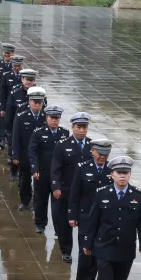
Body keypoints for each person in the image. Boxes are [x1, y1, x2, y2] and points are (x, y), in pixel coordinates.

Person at [81, 155, 141, 280]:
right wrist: (87, 243)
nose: (123, 176)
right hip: (104, 248)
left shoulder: (139, 196)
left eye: (126, 173)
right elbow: (92, 220)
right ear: (111, 174)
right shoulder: (102, 193)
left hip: (125, 250)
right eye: (119, 173)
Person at [70, 139, 112, 280]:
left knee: (97, 252)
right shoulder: (82, 168)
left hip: (104, 219)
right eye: (100, 153)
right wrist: (72, 216)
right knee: (85, 251)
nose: (102, 157)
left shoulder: (111, 170)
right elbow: (75, 194)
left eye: (106, 154)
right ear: (92, 151)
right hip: (86, 217)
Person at [50, 112, 92, 263]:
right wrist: (56, 187)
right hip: (66, 191)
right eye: (78, 127)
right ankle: (66, 250)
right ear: (72, 127)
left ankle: (85, 249)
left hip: (85, 194)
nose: (81, 131)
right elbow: (56, 168)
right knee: (64, 223)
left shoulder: (92, 146)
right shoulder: (62, 145)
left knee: (86, 224)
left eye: (84, 127)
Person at [28, 104, 69, 236]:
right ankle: (40, 224)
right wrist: (34, 169)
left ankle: (59, 228)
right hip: (42, 173)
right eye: (52, 118)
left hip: (58, 175)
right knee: (41, 200)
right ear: (46, 118)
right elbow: (32, 152)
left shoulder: (64, 133)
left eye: (57, 118)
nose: (54, 120)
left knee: (58, 205)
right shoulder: (38, 133)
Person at [10, 86, 47, 211]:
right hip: (25, 154)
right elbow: (16, 136)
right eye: (34, 101)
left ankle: (37, 203)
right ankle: (25, 201)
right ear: (29, 101)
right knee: (24, 180)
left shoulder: (47, 117)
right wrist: (14, 155)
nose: (37, 104)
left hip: (41, 156)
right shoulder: (21, 116)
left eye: (39, 102)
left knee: (40, 181)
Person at [4, 67, 37, 154]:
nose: (29, 82)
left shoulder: (39, 95)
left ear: (34, 81)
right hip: (18, 129)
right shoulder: (15, 93)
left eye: (31, 80)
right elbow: (9, 117)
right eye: (27, 79)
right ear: (22, 79)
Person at [0, 55, 23, 150]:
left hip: (20, 105)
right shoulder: (6, 76)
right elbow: (3, 93)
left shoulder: (25, 77)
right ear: (12, 64)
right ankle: (4, 140)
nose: (17, 68)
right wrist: (2, 108)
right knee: (7, 124)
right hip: (9, 105)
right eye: (15, 65)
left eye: (18, 66)